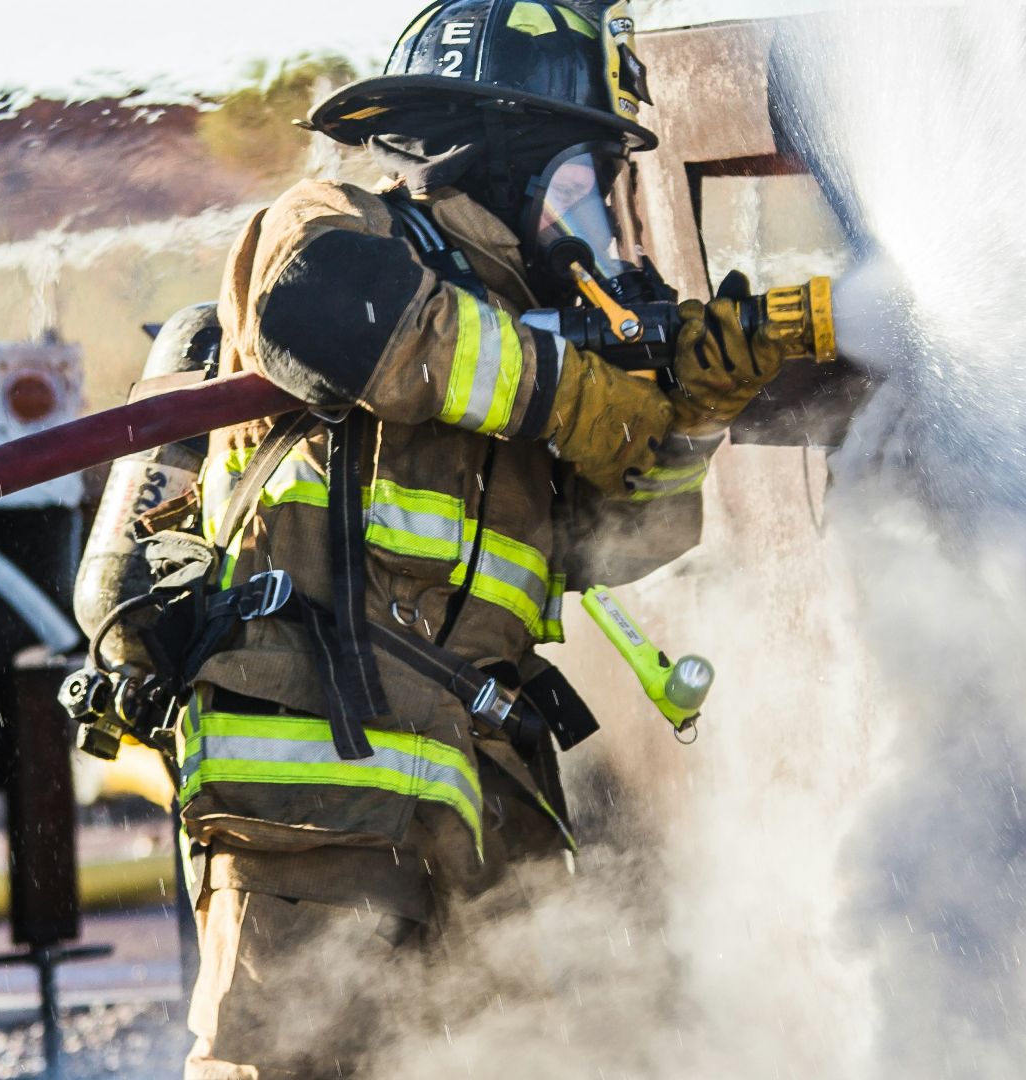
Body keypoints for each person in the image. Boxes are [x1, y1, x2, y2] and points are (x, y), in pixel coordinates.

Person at [173, 1, 835, 1075]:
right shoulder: (337, 227)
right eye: (585, 182)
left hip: (481, 787)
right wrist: (572, 386)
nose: (602, 225)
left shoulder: (530, 325)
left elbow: (609, 545)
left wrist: (693, 413)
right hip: (319, 789)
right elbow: (329, 313)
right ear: (499, 157)